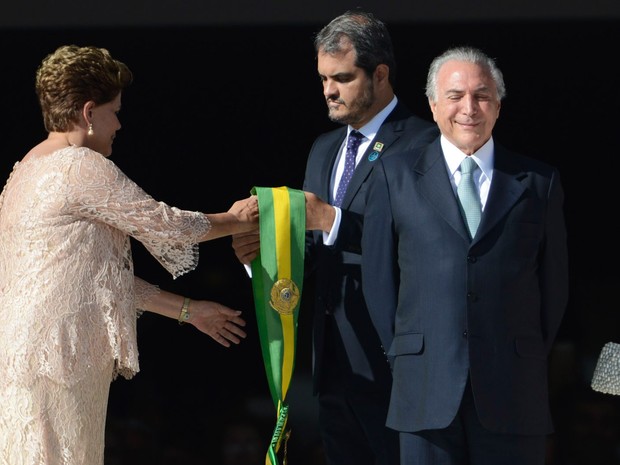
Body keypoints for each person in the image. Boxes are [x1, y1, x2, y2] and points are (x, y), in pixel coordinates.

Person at [0, 44, 258, 465]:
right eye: (114, 110)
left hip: (30, 361)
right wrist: (236, 219)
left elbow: (94, 282)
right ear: (88, 113)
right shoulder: (77, 166)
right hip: (59, 361)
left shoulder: (24, 171)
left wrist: (189, 311)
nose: (119, 123)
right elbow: (165, 224)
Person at [232, 10, 438, 465]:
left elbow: (425, 247)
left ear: (379, 74)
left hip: (395, 365)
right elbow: (312, 250)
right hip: (331, 366)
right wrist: (262, 255)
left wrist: (332, 220)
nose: (328, 90)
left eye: (342, 78)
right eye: (323, 78)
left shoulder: (424, 144)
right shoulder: (324, 148)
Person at [361, 45, 569, 465]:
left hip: (513, 392)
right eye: (455, 96)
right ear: (434, 106)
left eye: (482, 95)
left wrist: (517, 353)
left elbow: (555, 287)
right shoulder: (394, 176)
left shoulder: (538, 182)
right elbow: (379, 283)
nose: (469, 108)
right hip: (424, 391)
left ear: (498, 105)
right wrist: (410, 353)